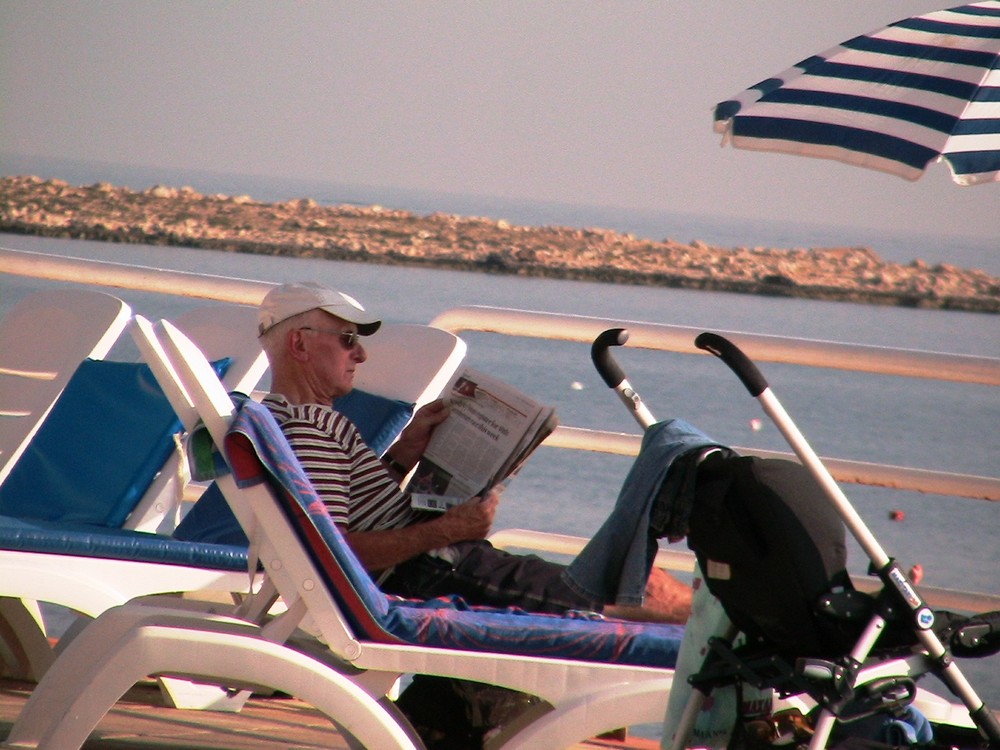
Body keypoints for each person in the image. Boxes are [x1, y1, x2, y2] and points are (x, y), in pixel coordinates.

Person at [254, 281, 694, 624]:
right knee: (633, 594)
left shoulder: (288, 420)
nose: (361, 353)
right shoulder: (307, 427)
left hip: (441, 564)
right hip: (433, 573)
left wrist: (403, 456)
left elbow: (340, 517)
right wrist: (447, 529)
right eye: (348, 338)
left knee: (628, 583)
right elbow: (334, 551)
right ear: (299, 344)